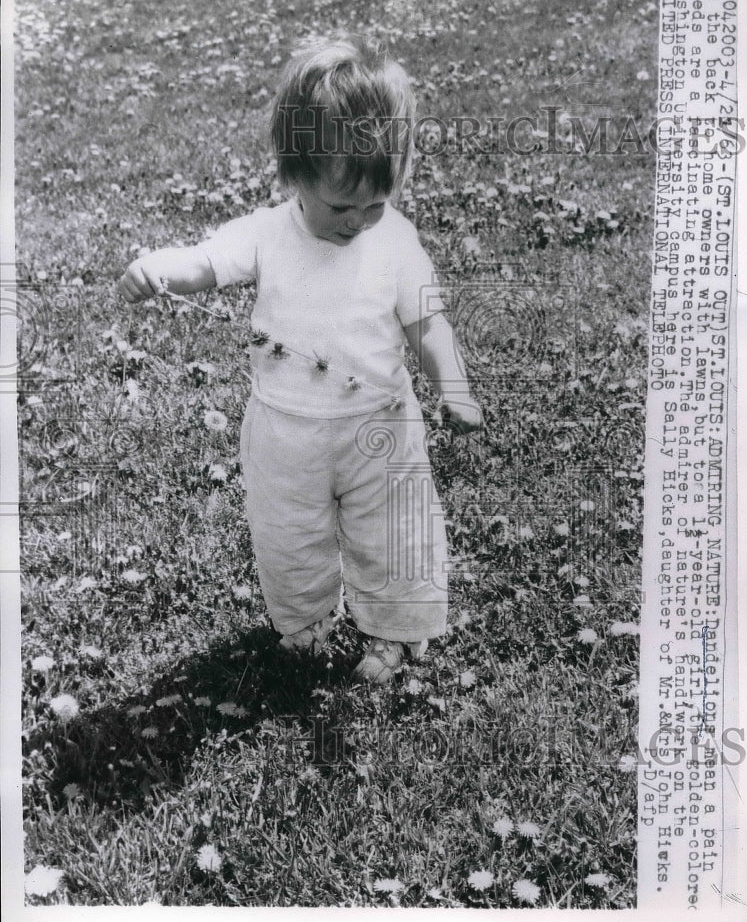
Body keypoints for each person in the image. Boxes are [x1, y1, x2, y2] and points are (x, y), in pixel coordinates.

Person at [119, 35, 482, 683]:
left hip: (381, 426)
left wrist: (453, 386)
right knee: (289, 536)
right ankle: (306, 625)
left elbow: (428, 324)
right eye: (342, 206)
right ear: (295, 179)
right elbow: (205, 262)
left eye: (376, 203)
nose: (358, 222)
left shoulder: (394, 243)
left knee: (394, 532)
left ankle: (392, 632)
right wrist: (157, 269)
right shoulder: (266, 234)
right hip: (285, 429)